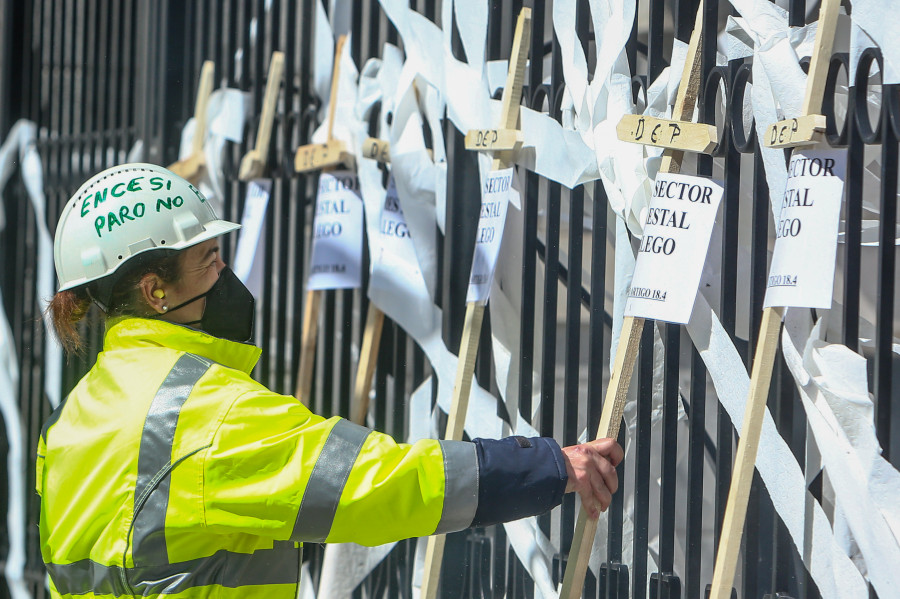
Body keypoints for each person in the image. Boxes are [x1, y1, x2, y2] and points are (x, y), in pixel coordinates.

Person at [39, 163, 623, 598]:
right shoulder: (205, 414)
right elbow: (374, 485)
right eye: (209, 257)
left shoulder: (73, 421)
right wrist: (546, 467)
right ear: (154, 290)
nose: (224, 271)